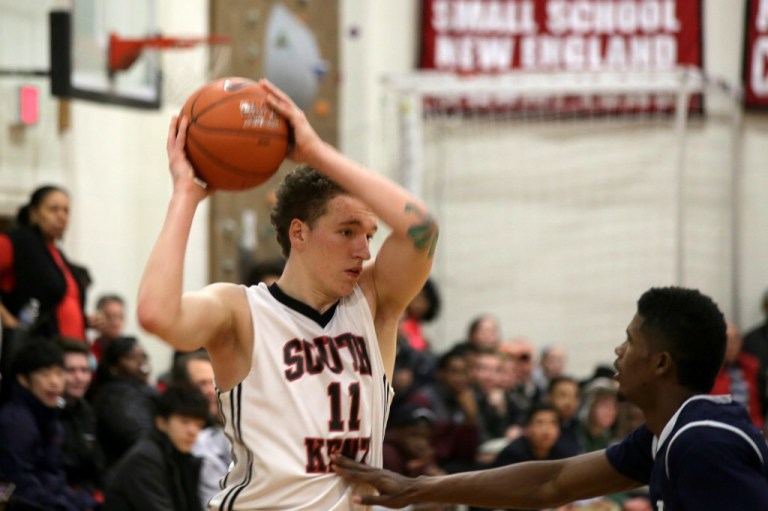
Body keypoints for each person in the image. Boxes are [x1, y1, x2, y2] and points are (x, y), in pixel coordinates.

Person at [136, 79, 437, 510]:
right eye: (347, 231)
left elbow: (422, 228)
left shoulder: (375, 302)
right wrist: (186, 195)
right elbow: (155, 314)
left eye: (369, 234)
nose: (364, 249)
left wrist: (314, 150)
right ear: (299, 232)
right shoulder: (239, 311)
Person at [333, 287, 768, 510]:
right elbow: (551, 481)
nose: (618, 351)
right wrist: (418, 487)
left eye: (629, 340)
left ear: (660, 364)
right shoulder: (666, 436)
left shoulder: (704, 445)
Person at [0, 186, 88, 402]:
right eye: (54, 209)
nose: (62, 216)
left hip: (68, 358)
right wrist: (8, 319)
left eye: (66, 210)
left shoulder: (57, 254)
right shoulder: (16, 241)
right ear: (34, 213)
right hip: (38, 358)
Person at [0, 338, 95, 511]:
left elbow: (53, 479)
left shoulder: (49, 414)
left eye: (59, 373)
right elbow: (18, 487)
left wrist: (85, 503)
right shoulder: (15, 423)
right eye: (45, 374)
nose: (55, 382)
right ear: (23, 379)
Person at [102, 383, 209, 511]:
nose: (192, 431)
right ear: (161, 422)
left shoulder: (183, 458)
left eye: (198, 425)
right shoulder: (145, 459)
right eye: (184, 421)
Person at [170, 350, 232, 510]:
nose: (211, 391)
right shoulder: (182, 441)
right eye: (201, 384)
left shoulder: (229, 425)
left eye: (213, 382)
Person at [90, 335, 157, 470]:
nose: (141, 363)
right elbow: (139, 437)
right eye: (132, 358)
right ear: (114, 366)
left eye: (143, 356)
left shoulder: (142, 388)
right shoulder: (115, 396)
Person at [59, 337, 106, 503]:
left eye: (84, 370)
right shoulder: (45, 414)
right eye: (70, 371)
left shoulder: (87, 412)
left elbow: (96, 466)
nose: (79, 378)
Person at [710, 322, 765, 430]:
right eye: (727, 341)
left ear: (741, 342)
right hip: (722, 428)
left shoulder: (752, 367)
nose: (731, 346)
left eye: (735, 340)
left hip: (754, 428)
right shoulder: (709, 372)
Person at [88, 293, 127, 362]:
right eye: (109, 317)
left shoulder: (132, 352)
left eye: (120, 317)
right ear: (97, 318)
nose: (115, 322)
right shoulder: (91, 355)